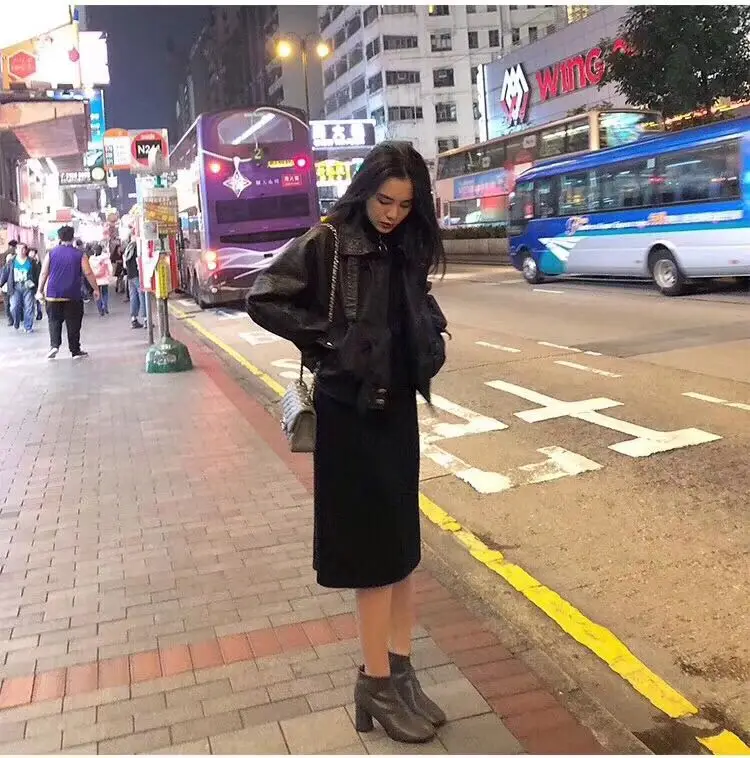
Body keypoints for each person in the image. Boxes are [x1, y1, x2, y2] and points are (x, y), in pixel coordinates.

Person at [246, 142, 449, 744]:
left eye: (405, 205)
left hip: (396, 407)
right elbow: (264, 296)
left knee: (402, 546)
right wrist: (333, 342)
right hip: (350, 412)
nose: (392, 213)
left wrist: (430, 332)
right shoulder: (329, 239)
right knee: (372, 554)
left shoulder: (404, 242)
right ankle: (375, 682)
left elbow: (412, 306)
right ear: (365, 191)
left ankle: (401, 673)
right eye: (385, 201)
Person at [36, 225, 100, 359]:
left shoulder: (51, 253)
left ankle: (54, 346)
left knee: (54, 321)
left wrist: (39, 290)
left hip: (53, 294)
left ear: (59, 237)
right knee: (74, 323)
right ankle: (75, 351)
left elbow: (43, 273)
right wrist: (95, 289)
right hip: (73, 295)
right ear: (73, 237)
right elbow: (88, 272)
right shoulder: (79, 254)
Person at [0, 243, 37, 332]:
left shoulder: (31, 261)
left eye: (23, 249)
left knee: (29, 307)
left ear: (26, 250)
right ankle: (16, 321)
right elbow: (5, 273)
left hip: (28, 286)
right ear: (16, 250)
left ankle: (28, 327)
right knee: (14, 306)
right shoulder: (11, 261)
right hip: (15, 286)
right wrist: (0, 284)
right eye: (19, 249)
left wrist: (37, 286)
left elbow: (37, 274)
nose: (21, 251)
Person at [123, 237, 144, 329]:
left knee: (133, 297)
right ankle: (146, 319)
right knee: (142, 296)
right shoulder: (138, 248)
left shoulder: (128, 248)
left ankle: (134, 319)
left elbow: (125, 264)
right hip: (137, 275)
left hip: (130, 275)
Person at [89, 243, 113, 316]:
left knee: (97, 293)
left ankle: (100, 309)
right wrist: (110, 275)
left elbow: (89, 269)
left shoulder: (91, 259)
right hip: (104, 278)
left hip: (95, 279)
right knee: (105, 293)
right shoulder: (105, 257)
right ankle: (105, 306)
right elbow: (109, 267)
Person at [2, 239, 18, 325]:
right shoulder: (16, 255)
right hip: (12, 284)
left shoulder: (4, 254)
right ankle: (15, 318)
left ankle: (10, 319)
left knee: (7, 303)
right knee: (14, 303)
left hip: (5, 285)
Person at [28, 248, 43, 320]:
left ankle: (39, 313)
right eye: (31, 252)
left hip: (37, 283)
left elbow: (41, 272)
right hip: (30, 283)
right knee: (30, 300)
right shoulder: (27, 261)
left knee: (38, 299)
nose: (32, 253)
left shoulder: (38, 262)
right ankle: (32, 313)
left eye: (33, 252)